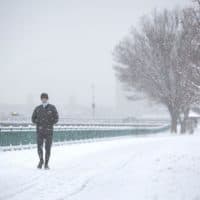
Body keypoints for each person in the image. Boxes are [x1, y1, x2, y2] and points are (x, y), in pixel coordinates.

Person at [32, 93, 59, 169]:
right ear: (41, 99)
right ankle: (41, 161)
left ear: (47, 99)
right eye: (42, 98)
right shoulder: (38, 108)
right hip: (40, 131)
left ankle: (46, 163)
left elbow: (56, 118)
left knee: (48, 148)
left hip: (49, 131)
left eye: (45, 98)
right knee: (39, 147)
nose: (44, 99)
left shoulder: (52, 108)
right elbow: (33, 119)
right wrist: (38, 123)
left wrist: (50, 123)